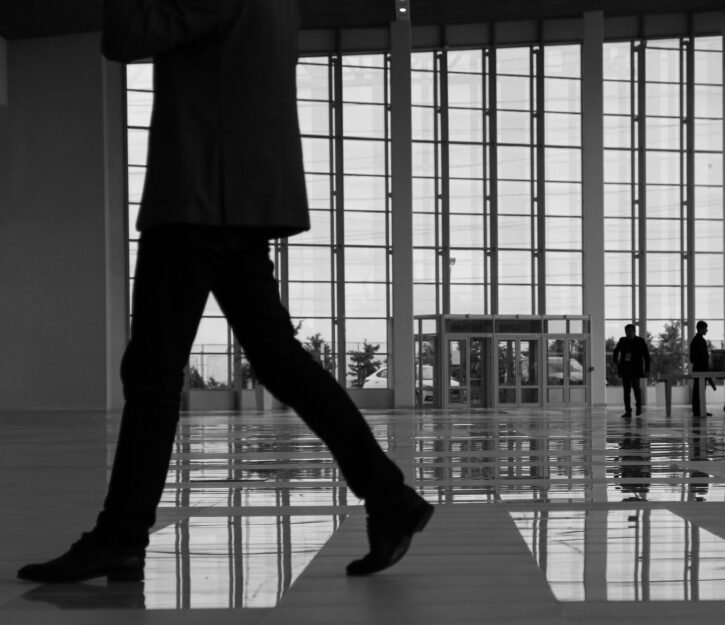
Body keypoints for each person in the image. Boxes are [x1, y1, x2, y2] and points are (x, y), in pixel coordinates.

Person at [18, 0, 433, 583]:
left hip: (200, 193)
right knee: (277, 360)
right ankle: (389, 497)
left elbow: (125, 35)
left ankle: (120, 536)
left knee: (155, 372)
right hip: (239, 194)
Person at [612, 324, 650, 417]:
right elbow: (616, 351)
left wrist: (647, 369)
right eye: (627, 331)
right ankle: (628, 410)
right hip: (625, 368)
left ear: (634, 331)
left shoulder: (640, 341)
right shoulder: (622, 340)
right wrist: (615, 360)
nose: (628, 333)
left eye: (630, 331)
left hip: (636, 369)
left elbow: (646, 356)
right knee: (626, 390)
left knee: (636, 388)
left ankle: (639, 406)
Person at [688, 320, 715, 416]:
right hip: (701, 369)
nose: (706, 330)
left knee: (697, 390)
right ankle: (700, 410)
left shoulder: (695, 341)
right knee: (700, 390)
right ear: (701, 329)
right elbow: (703, 357)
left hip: (697, 368)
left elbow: (692, 358)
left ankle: (697, 410)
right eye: (705, 328)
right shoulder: (701, 341)